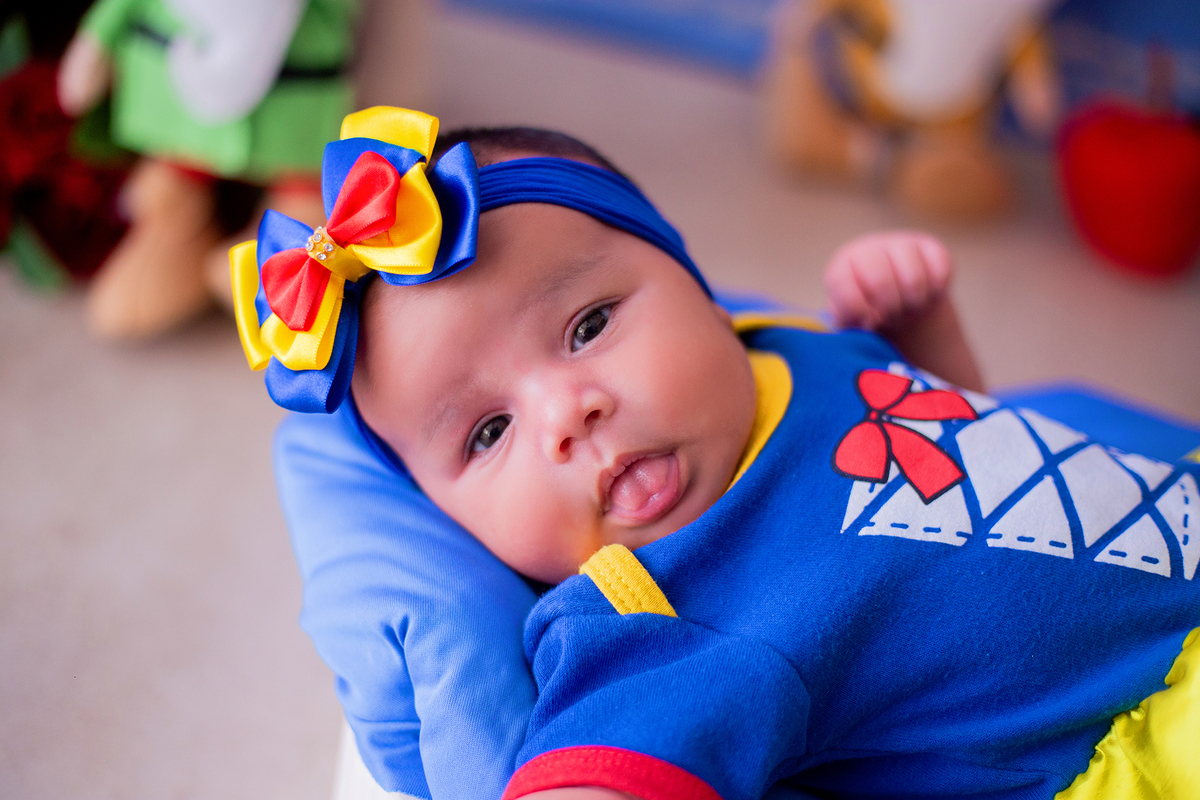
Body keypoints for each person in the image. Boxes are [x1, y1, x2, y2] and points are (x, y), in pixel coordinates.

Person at [236, 107, 1200, 800]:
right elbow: (609, 767)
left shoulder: (776, 345)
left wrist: (921, 346)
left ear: (696, 283)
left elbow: (966, 453)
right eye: (488, 434)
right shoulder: (651, 616)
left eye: (586, 326)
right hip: (1144, 731)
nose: (569, 413)